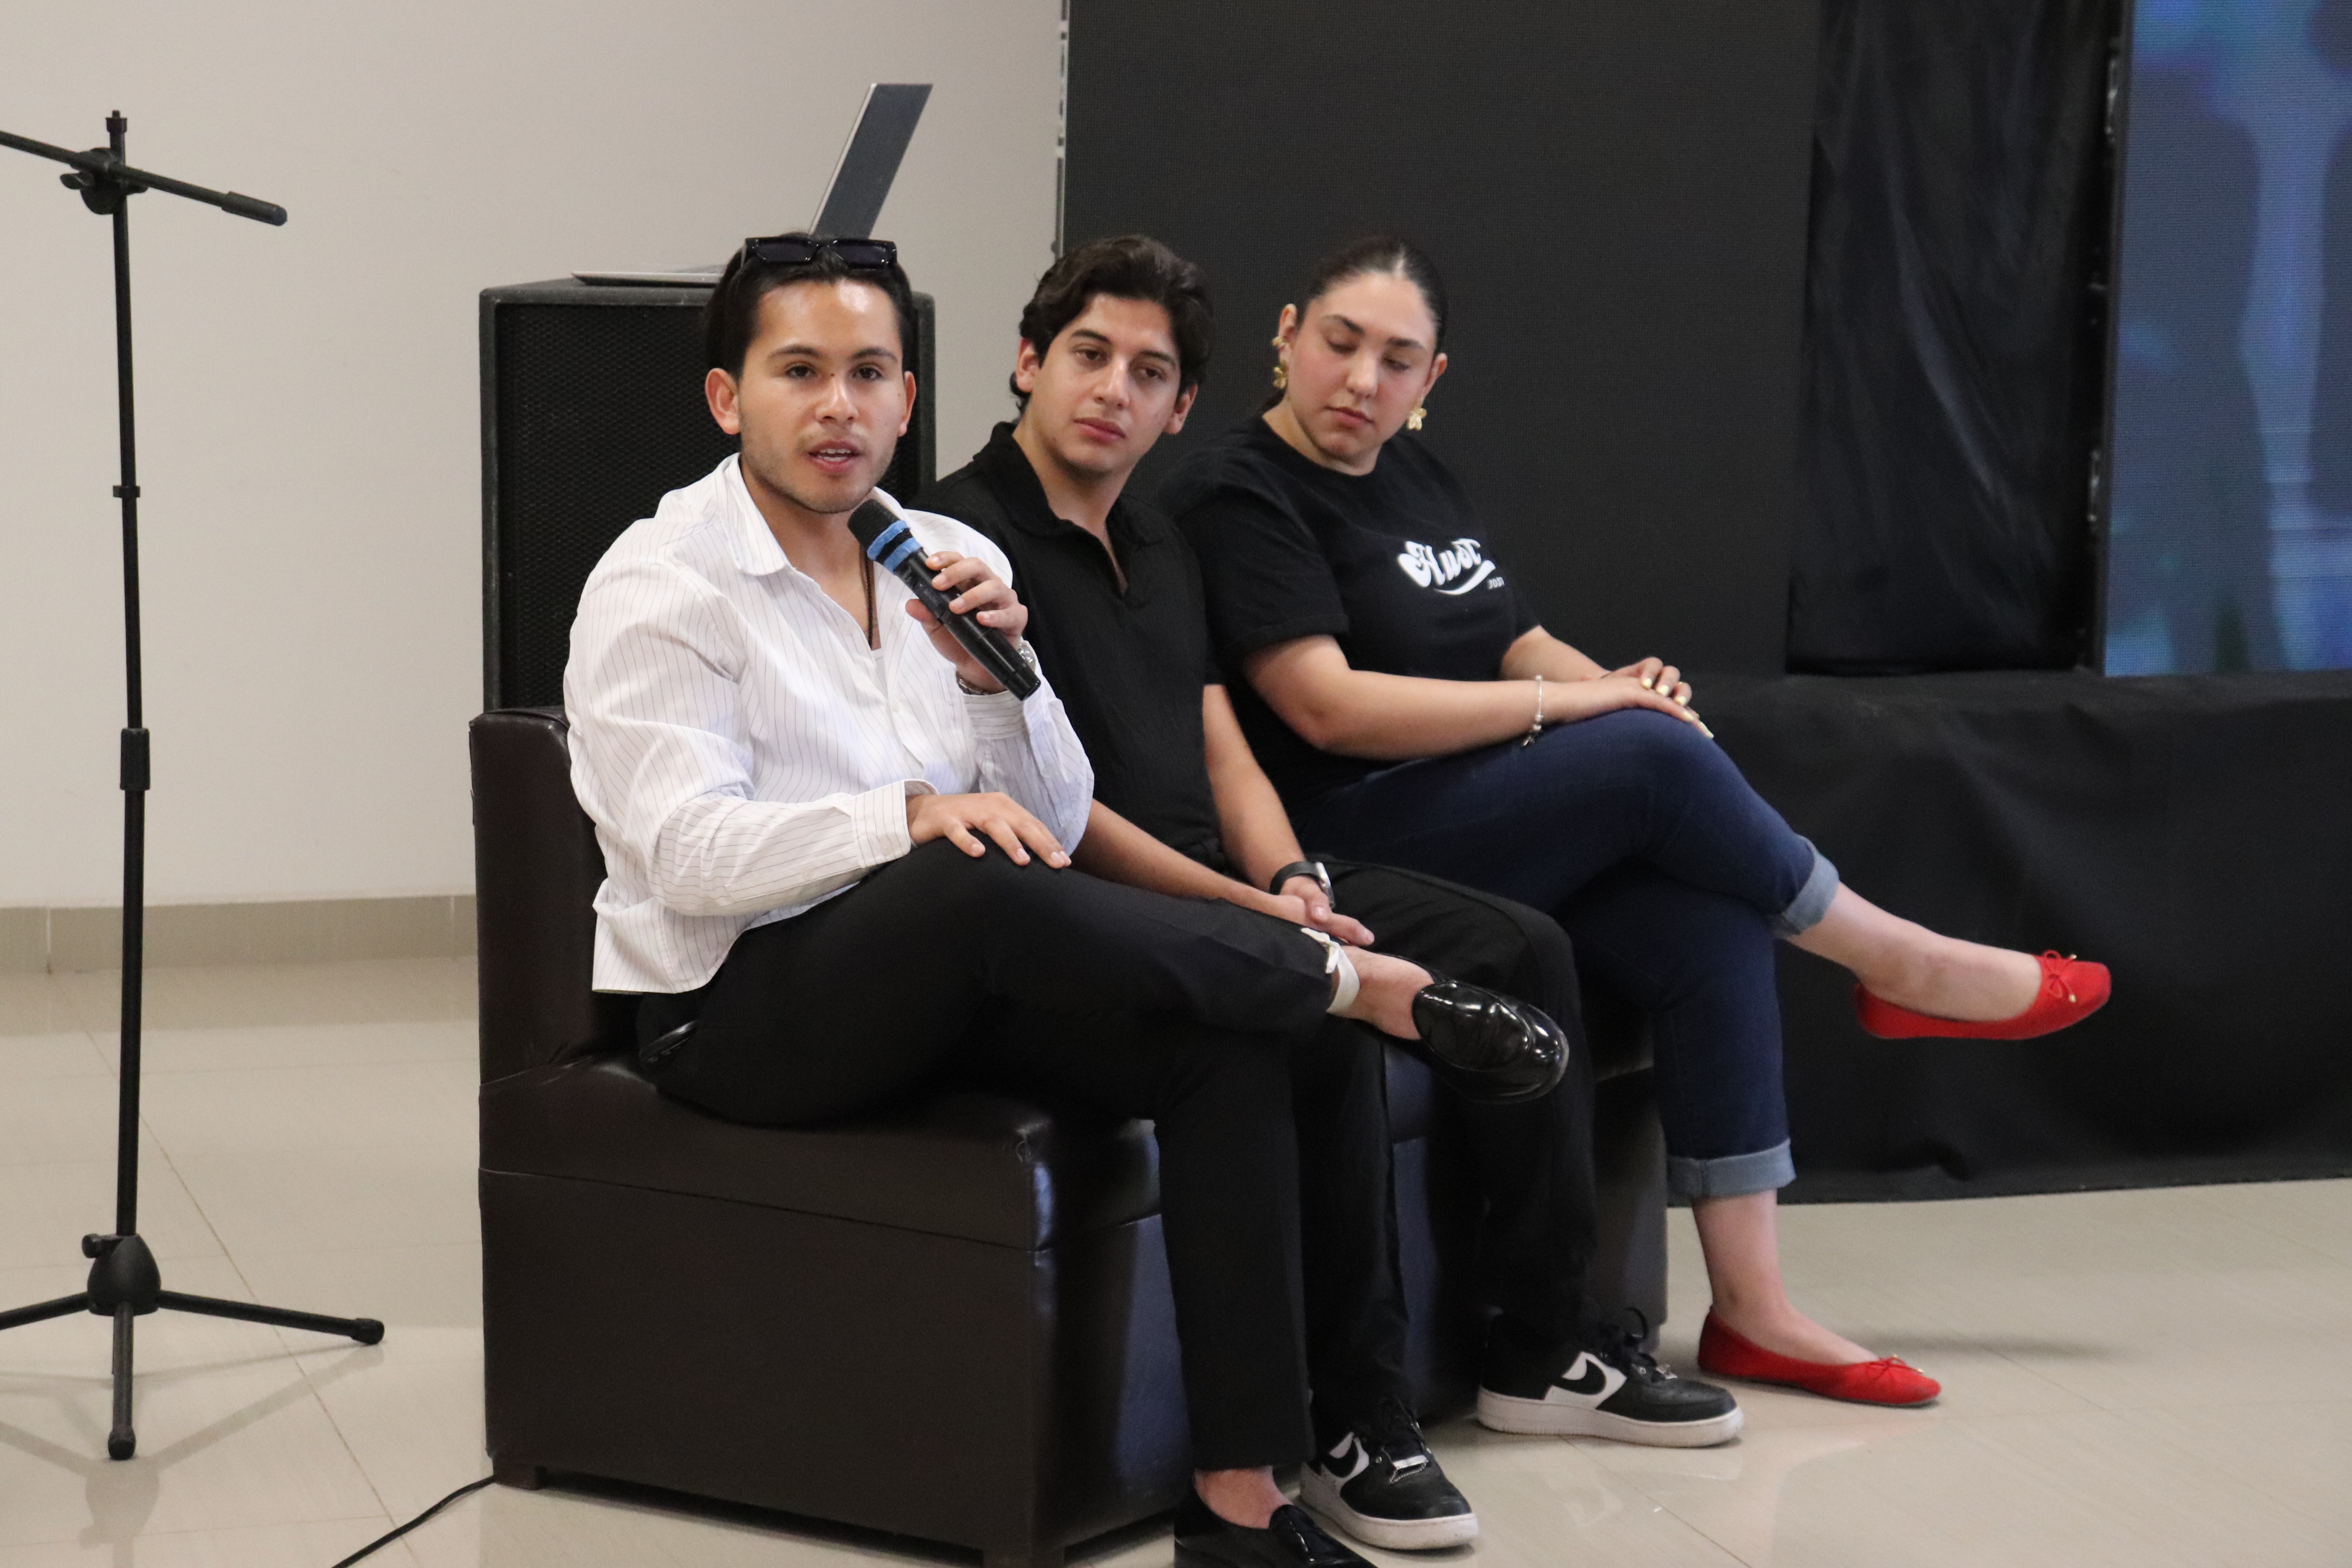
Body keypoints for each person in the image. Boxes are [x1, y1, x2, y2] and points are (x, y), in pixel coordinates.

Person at [560, 234, 1562, 1568]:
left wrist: (998, 681)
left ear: (909, 398)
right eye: (799, 372)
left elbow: (1059, 809)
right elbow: (686, 852)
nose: (839, 406)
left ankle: (1241, 1502)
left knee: (1242, 1040)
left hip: (942, 977)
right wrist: (906, 814)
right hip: (739, 1008)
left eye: (870, 373)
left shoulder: (943, 552)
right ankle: (1354, 980)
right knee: (962, 870)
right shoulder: (660, 581)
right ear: (727, 397)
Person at [1163, 234, 2114, 1407]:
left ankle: (1755, 1309)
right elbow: (1327, 705)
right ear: (1288, 334)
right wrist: (1587, 710)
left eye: (1397, 360)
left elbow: (1512, 639)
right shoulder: (1238, 490)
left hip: (1468, 809)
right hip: (1346, 837)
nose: (1361, 380)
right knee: (1648, 756)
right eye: (1340, 343)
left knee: (1707, 917)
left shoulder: (1416, 476)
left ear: (1432, 378)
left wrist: (1620, 686)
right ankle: (1900, 960)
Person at [926, 235, 1744, 1554]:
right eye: (1088, 355)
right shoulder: (965, 542)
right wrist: (1251, 913)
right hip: (1104, 897)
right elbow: (1049, 806)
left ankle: (1545, 1346)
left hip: (1231, 875)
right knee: (1316, 1013)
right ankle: (1359, 1420)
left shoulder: (1157, 531)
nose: (1114, 391)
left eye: (1149, 373)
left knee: (1522, 947)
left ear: (1181, 406)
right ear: (1028, 361)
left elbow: (1217, 742)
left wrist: (1289, 876)